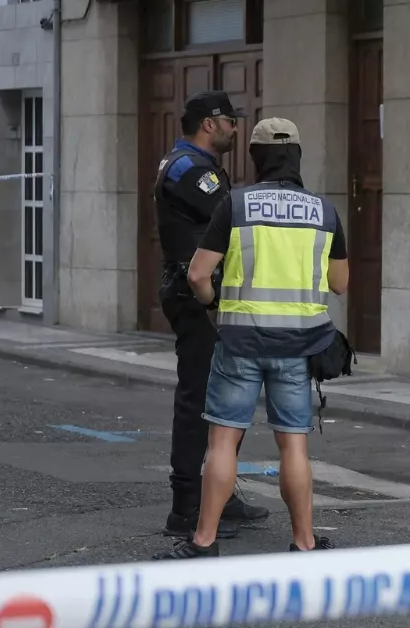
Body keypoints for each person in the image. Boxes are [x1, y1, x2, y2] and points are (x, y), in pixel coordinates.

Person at [154, 118, 350, 559]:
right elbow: (340, 283)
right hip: (298, 346)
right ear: (298, 156)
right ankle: (304, 541)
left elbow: (199, 274)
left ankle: (203, 541)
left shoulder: (236, 205)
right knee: (293, 444)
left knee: (222, 441)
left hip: (240, 340)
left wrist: (212, 306)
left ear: (256, 158)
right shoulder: (324, 211)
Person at [154, 89, 267, 539]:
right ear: (209, 123)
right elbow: (230, 217)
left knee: (222, 399)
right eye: (230, 121)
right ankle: (186, 507)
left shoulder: (193, 165)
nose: (235, 128)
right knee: (199, 398)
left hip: (207, 294)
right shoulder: (188, 169)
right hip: (194, 293)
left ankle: (218, 493)